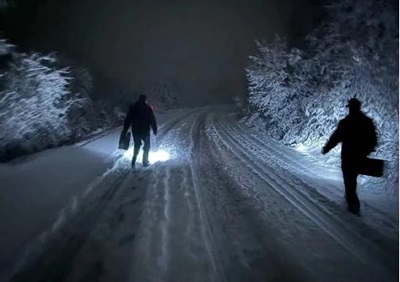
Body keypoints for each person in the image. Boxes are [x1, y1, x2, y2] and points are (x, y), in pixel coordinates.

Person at [322, 98, 377, 214]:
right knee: (352, 180)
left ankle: (353, 206)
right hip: (360, 157)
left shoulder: (346, 123)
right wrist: (366, 151)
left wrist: (327, 148)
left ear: (350, 108)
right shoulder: (367, 122)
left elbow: (336, 137)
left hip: (348, 157)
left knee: (349, 181)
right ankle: (352, 202)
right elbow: (373, 140)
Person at [122, 94, 157, 167]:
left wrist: (125, 130)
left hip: (136, 131)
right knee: (147, 146)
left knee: (137, 145)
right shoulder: (148, 108)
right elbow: (152, 119)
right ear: (145, 100)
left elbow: (128, 119)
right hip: (145, 131)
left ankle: (133, 161)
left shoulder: (133, 107)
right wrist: (154, 129)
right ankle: (145, 161)